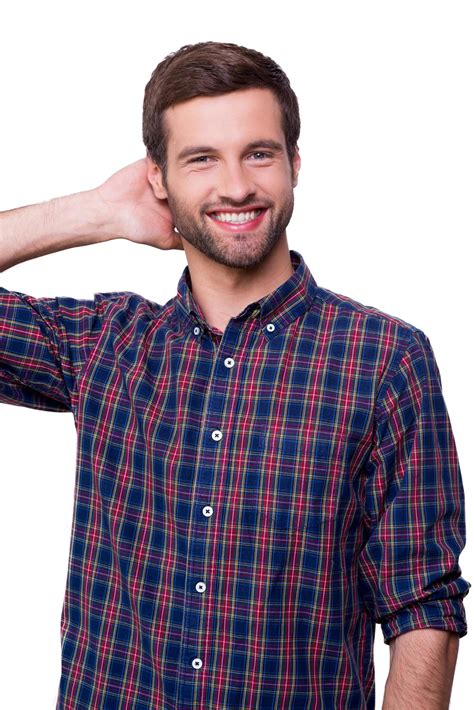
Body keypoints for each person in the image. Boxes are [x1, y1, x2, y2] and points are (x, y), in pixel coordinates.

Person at [0, 40, 470, 710]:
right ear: (157, 178)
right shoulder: (105, 343)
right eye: (200, 159)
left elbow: (421, 598)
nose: (237, 186)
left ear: (295, 163)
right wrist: (96, 213)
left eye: (259, 153)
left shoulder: (384, 359)